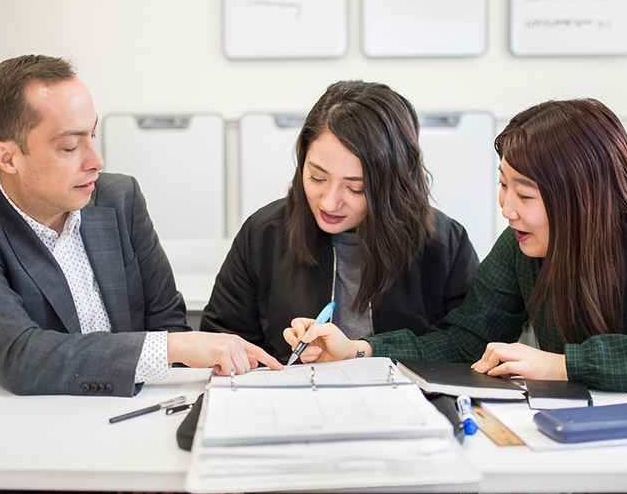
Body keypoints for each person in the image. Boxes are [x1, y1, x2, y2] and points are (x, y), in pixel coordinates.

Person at [284, 98, 627, 399]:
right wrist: (359, 350)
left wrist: (564, 365)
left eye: (525, 195)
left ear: (581, 198)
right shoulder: (522, 246)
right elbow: (465, 340)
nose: (507, 209)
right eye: (502, 185)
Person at [0, 54, 281, 397]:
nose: (96, 161)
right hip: (33, 426)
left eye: (92, 135)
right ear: (7, 158)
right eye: (69, 147)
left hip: (141, 408)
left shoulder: (119, 197)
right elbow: (22, 356)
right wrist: (173, 347)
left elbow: (165, 317)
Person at [200, 80, 479, 362]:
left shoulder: (444, 244)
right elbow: (220, 343)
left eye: (356, 188)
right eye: (317, 178)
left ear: (394, 186)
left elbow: (469, 345)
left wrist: (362, 352)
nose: (329, 202)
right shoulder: (264, 235)